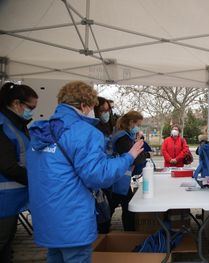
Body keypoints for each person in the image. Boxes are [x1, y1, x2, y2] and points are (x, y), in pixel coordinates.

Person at [26, 81, 144, 262]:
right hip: (72, 215)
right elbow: (98, 175)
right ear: (84, 105)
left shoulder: (41, 130)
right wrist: (129, 157)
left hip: (45, 214)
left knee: (55, 256)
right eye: (93, 107)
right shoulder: (84, 132)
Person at [0, 83, 38, 263]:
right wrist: (36, 179)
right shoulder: (3, 125)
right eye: (31, 107)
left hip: (12, 199)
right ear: (16, 103)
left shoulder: (17, 125)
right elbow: (7, 166)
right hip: (3, 200)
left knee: (7, 245)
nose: (32, 112)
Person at [110, 110, 150, 231]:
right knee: (125, 206)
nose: (138, 128)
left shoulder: (123, 135)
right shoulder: (123, 138)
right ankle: (127, 232)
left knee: (123, 204)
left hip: (120, 177)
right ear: (131, 122)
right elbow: (134, 158)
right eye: (138, 124)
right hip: (119, 179)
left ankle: (125, 230)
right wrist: (139, 145)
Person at [94, 97, 114, 234]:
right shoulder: (93, 129)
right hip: (99, 175)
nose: (105, 113)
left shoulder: (109, 126)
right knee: (102, 213)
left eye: (108, 110)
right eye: (102, 111)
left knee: (107, 208)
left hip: (109, 173)